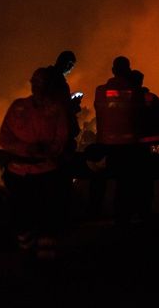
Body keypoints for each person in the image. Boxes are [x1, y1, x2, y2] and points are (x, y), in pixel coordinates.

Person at [0, 68, 70, 263]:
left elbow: (60, 139)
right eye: (35, 83)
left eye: (42, 84)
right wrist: (27, 149)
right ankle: (27, 254)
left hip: (46, 172)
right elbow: (4, 137)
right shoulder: (18, 107)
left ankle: (46, 261)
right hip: (19, 173)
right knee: (20, 217)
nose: (37, 87)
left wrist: (44, 153)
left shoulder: (56, 110)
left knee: (47, 217)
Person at [93, 56, 148, 224]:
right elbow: (140, 117)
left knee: (99, 181)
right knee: (124, 187)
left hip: (105, 146)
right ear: (128, 71)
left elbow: (99, 112)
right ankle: (122, 221)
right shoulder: (136, 92)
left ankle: (95, 215)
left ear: (113, 70)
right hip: (129, 147)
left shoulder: (100, 91)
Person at [45, 50, 82, 153]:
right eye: (71, 65)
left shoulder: (48, 77)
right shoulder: (58, 81)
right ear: (67, 63)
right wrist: (73, 105)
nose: (71, 69)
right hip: (57, 131)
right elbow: (60, 106)